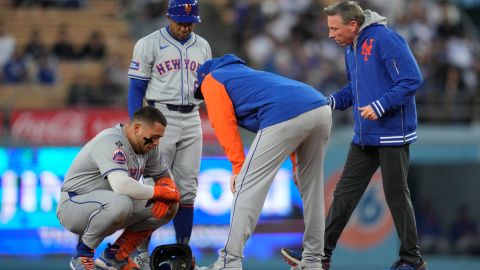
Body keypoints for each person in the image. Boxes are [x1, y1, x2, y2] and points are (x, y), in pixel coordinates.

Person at [280, 2, 428, 270]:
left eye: (334, 28)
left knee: (396, 194)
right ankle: (321, 254)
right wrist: (332, 101)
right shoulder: (352, 47)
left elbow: (411, 79)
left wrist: (381, 105)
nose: (330, 34)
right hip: (365, 134)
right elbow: (356, 87)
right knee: (344, 194)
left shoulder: (386, 39)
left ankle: (412, 260)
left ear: (352, 25)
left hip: (392, 132)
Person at [194, 54, 332, 270]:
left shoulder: (212, 79)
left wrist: (238, 166)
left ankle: (228, 262)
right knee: (312, 189)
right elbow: (294, 112)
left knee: (247, 186)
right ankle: (313, 260)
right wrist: (296, 165)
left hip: (287, 114)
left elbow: (223, 124)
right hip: (320, 107)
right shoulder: (246, 76)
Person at [127, 0, 211, 268]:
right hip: (160, 117)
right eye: (180, 21)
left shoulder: (203, 46)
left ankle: (182, 251)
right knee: (154, 188)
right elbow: (136, 88)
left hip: (193, 117)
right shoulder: (149, 43)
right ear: (168, 17)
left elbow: (206, 87)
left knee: (187, 190)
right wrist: (137, 124)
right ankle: (140, 251)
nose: (185, 26)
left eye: (190, 22)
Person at [57, 106, 181, 270]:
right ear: (137, 128)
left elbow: (166, 179)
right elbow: (122, 186)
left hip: (109, 204)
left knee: (170, 206)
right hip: (74, 205)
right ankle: (82, 255)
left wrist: (166, 189)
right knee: (122, 202)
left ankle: (116, 255)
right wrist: (159, 191)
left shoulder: (149, 147)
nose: (157, 142)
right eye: (154, 137)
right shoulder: (111, 141)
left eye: (159, 138)